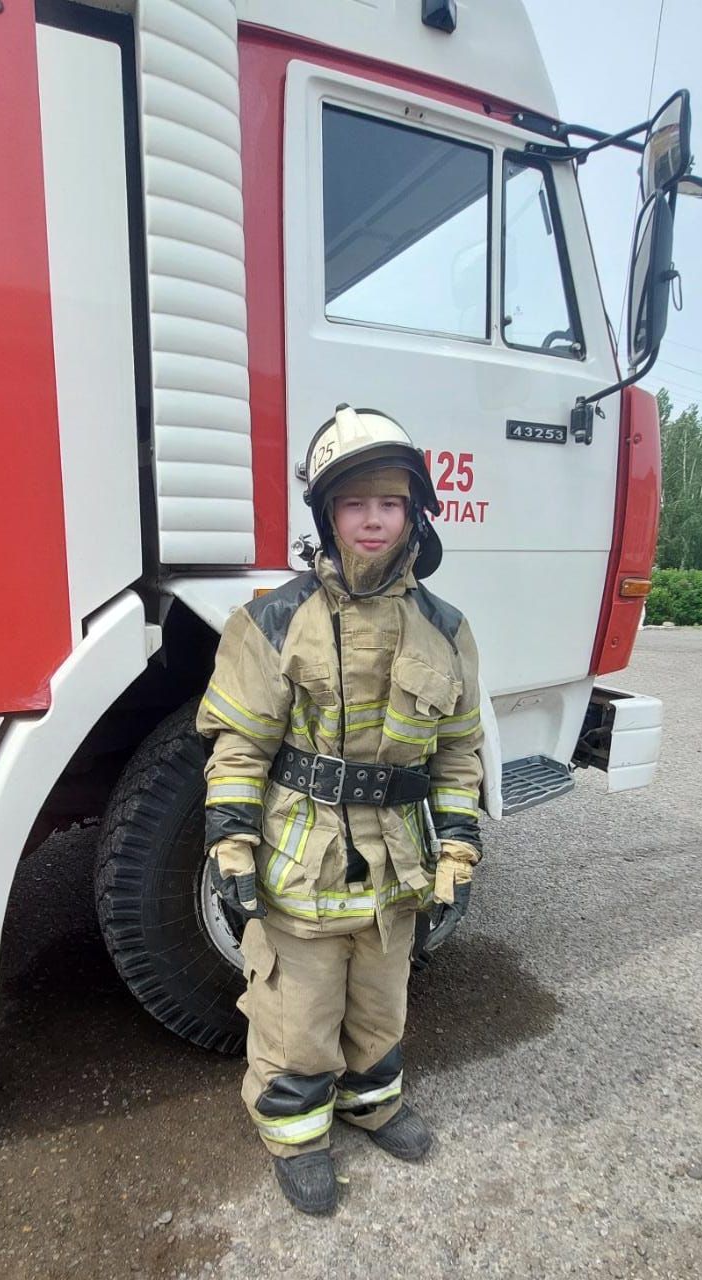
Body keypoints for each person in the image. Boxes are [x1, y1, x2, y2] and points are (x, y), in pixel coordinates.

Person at [196, 404, 484, 1215]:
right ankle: (296, 1137)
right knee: (299, 1008)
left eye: (388, 503)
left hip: (397, 863)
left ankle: (375, 1104)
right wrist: (231, 847)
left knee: (381, 1000)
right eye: (353, 503)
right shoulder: (272, 622)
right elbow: (239, 748)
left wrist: (457, 848)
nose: (371, 519)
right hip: (303, 857)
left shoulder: (446, 629)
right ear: (327, 514)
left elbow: (458, 752)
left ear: (414, 513)